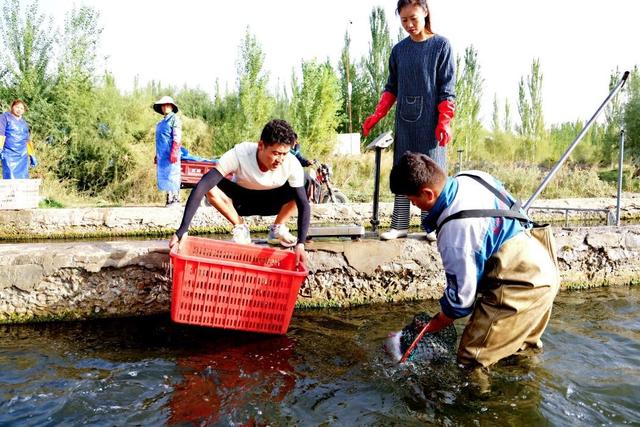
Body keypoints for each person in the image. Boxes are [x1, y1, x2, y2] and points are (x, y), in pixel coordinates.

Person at [389, 151, 560, 367]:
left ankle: (478, 401)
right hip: (545, 263)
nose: (412, 204)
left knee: (471, 359)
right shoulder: (472, 176)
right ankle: (523, 395)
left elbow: (462, 300)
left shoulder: (455, 231)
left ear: (428, 194)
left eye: (411, 199)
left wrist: (435, 323)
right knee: (519, 351)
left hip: (521, 283)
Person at [362, 0, 456, 241]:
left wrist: (444, 121)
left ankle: (434, 225)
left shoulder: (441, 46)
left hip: (432, 124)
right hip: (405, 121)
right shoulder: (399, 51)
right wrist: (378, 114)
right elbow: (391, 87)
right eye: (404, 20)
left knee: (432, 173)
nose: (409, 24)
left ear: (425, 13)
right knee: (404, 171)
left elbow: (447, 89)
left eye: (413, 18)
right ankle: (400, 224)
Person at [169, 119, 310, 265]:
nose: (280, 159)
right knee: (208, 183)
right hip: (241, 202)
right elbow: (202, 185)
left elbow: (303, 204)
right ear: (261, 145)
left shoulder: (291, 163)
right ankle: (240, 226)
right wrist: (182, 230)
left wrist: (301, 244)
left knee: (305, 182)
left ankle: (277, 229)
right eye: (275, 153)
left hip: (273, 203)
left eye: (284, 154)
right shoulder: (240, 153)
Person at [153, 96, 182, 206]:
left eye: (167, 105)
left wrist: (174, 151)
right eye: (163, 105)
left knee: (172, 175)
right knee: (165, 176)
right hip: (162, 155)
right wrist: (157, 155)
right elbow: (159, 140)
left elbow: (177, 136)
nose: (165, 107)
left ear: (171, 106)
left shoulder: (174, 119)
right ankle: (169, 199)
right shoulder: (160, 123)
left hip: (171, 153)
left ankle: (176, 199)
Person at [0, 100, 37, 179]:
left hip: (22, 156)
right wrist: (0, 148)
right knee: (10, 179)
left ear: (24, 111)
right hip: (9, 154)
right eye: (17, 107)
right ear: (12, 106)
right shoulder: (4, 117)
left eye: (21, 108)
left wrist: (32, 154)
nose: (19, 109)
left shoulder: (24, 123)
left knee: (23, 180)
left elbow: (27, 140)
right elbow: (1, 133)